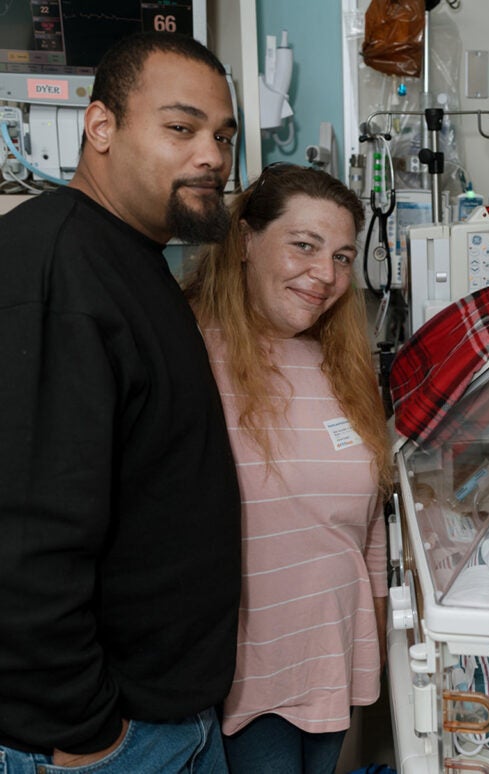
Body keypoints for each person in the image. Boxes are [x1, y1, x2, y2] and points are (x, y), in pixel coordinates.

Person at [0, 32, 241, 772]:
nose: (211, 155)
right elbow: (26, 540)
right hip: (110, 739)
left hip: (171, 716)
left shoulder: (132, 257)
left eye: (223, 136)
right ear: (99, 127)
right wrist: (87, 732)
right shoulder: (54, 268)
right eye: (181, 128)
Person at [182, 163, 393, 774]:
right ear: (247, 241)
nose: (324, 275)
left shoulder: (340, 363)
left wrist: (370, 645)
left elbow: (368, 528)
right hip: (243, 679)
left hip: (331, 663)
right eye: (303, 245)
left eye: (343, 256)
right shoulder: (189, 347)